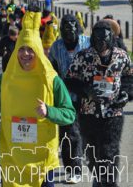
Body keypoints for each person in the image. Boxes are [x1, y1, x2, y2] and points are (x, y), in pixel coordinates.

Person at [0, 11, 75, 187]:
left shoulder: (51, 80)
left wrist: (49, 111)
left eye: (30, 49)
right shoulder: (3, 80)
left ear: (39, 52)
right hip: (12, 155)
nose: (25, 54)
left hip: (42, 157)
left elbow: (69, 114)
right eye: (22, 49)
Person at [65, 20, 133, 187]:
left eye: (105, 39)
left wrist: (126, 94)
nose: (101, 43)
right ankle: (98, 177)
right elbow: (69, 80)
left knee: (110, 151)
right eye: (98, 39)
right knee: (92, 152)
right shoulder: (83, 56)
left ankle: (108, 183)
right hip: (89, 113)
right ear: (92, 38)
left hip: (113, 113)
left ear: (111, 39)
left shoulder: (122, 56)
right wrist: (85, 90)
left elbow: (130, 78)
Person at [48, 14, 90, 183]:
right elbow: (51, 71)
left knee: (84, 134)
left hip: (87, 96)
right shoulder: (55, 47)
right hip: (65, 98)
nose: (70, 31)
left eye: (73, 27)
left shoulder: (87, 43)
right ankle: (74, 169)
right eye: (66, 27)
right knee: (70, 134)